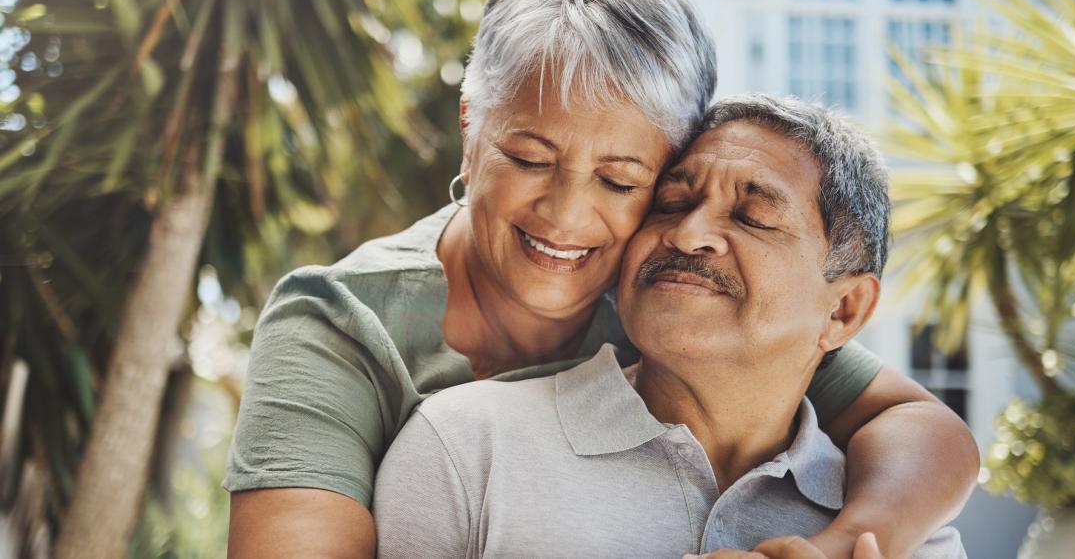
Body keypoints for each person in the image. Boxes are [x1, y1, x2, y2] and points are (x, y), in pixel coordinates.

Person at [226, 0, 978, 559]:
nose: (565, 214)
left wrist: (844, 545)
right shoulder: (344, 327)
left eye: (623, 180)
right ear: (470, 125)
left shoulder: (677, 299)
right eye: (527, 157)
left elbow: (926, 429)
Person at [372, 95, 966, 558]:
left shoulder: (911, 536)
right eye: (672, 204)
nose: (687, 234)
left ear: (843, 312)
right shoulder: (464, 445)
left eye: (753, 217)